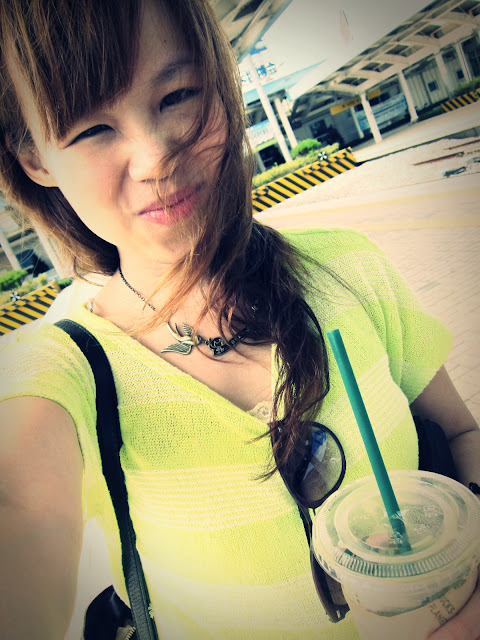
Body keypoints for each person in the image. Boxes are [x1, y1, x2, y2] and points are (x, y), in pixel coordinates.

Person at [0, 1, 478, 638]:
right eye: (92, 130)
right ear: (35, 159)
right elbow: (23, 513)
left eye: (178, 95)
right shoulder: (66, 369)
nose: (154, 157)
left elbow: (461, 434)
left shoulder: (348, 267)